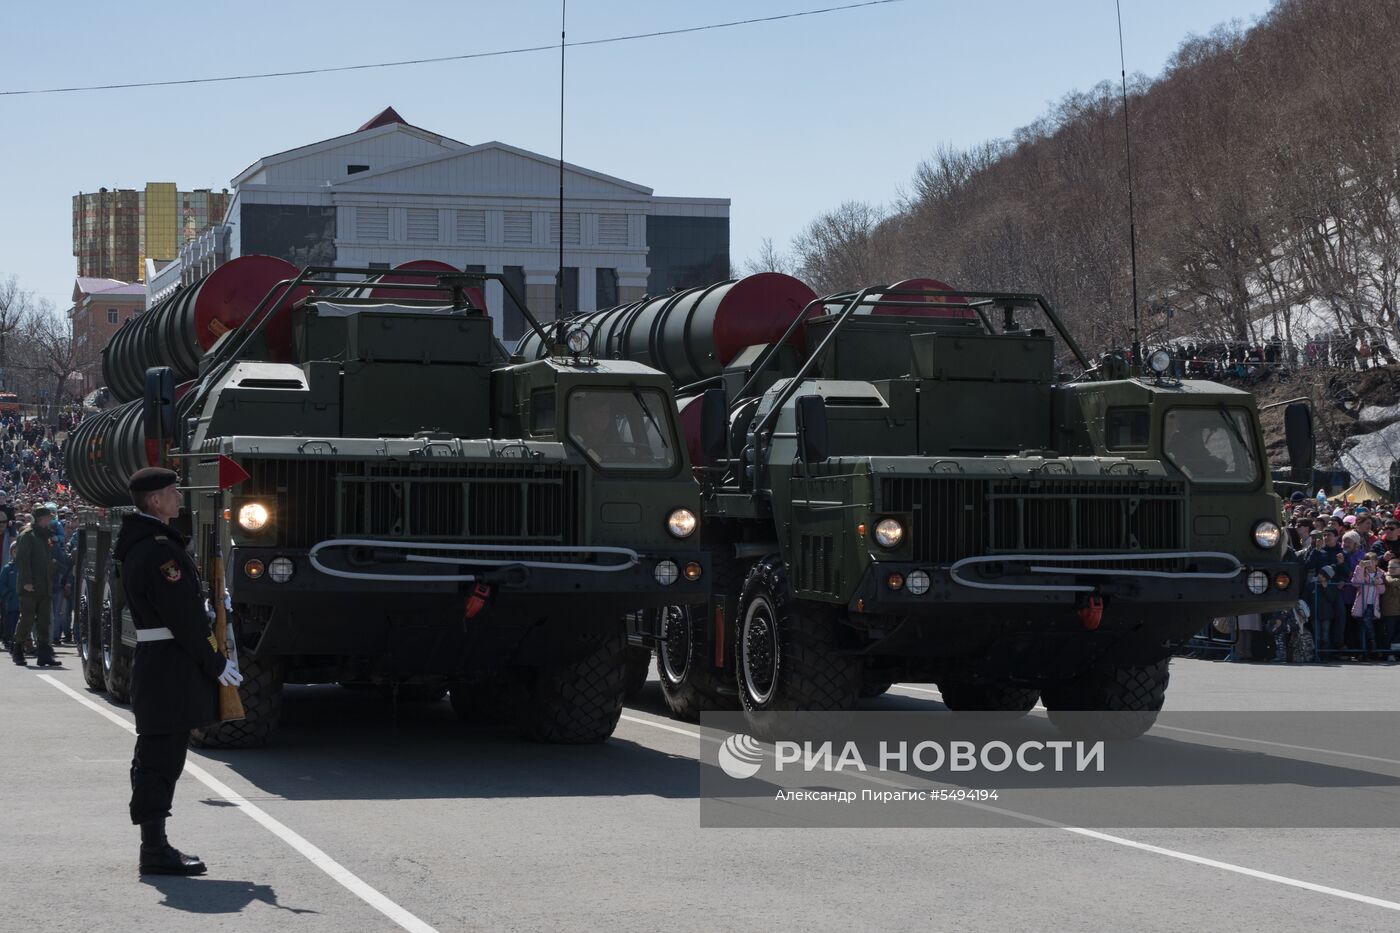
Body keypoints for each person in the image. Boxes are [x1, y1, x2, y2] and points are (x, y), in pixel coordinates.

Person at [117, 466, 241, 876]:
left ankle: (155, 845)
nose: (178, 496)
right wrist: (215, 661)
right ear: (154, 501)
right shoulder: (158, 550)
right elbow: (182, 618)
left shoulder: (153, 544)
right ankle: (154, 850)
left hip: (163, 665)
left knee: (160, 756)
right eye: (172, 491)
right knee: (160, 758)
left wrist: (205, 600)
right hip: (167, 667)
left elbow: (183, 608)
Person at [10, 505, 58, 667]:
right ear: (40, 519)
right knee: (27, 619)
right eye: (47, 518)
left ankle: (44, 654)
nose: (49, 520)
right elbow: (23, 561)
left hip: (44, 585)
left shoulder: (44, 535)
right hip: (30, 586)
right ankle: (17, 650)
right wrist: (27, 582)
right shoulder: (28, 535)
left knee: (44, 621)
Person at [0, 543, 17, 650]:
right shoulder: (7, 568)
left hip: (22, 601)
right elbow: (1, 584)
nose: (17, 553)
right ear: (11, 553)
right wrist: (8, 595)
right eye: (15, 551)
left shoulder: (25, 568)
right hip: (10, 602)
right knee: (9, 622)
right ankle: (8, 640)